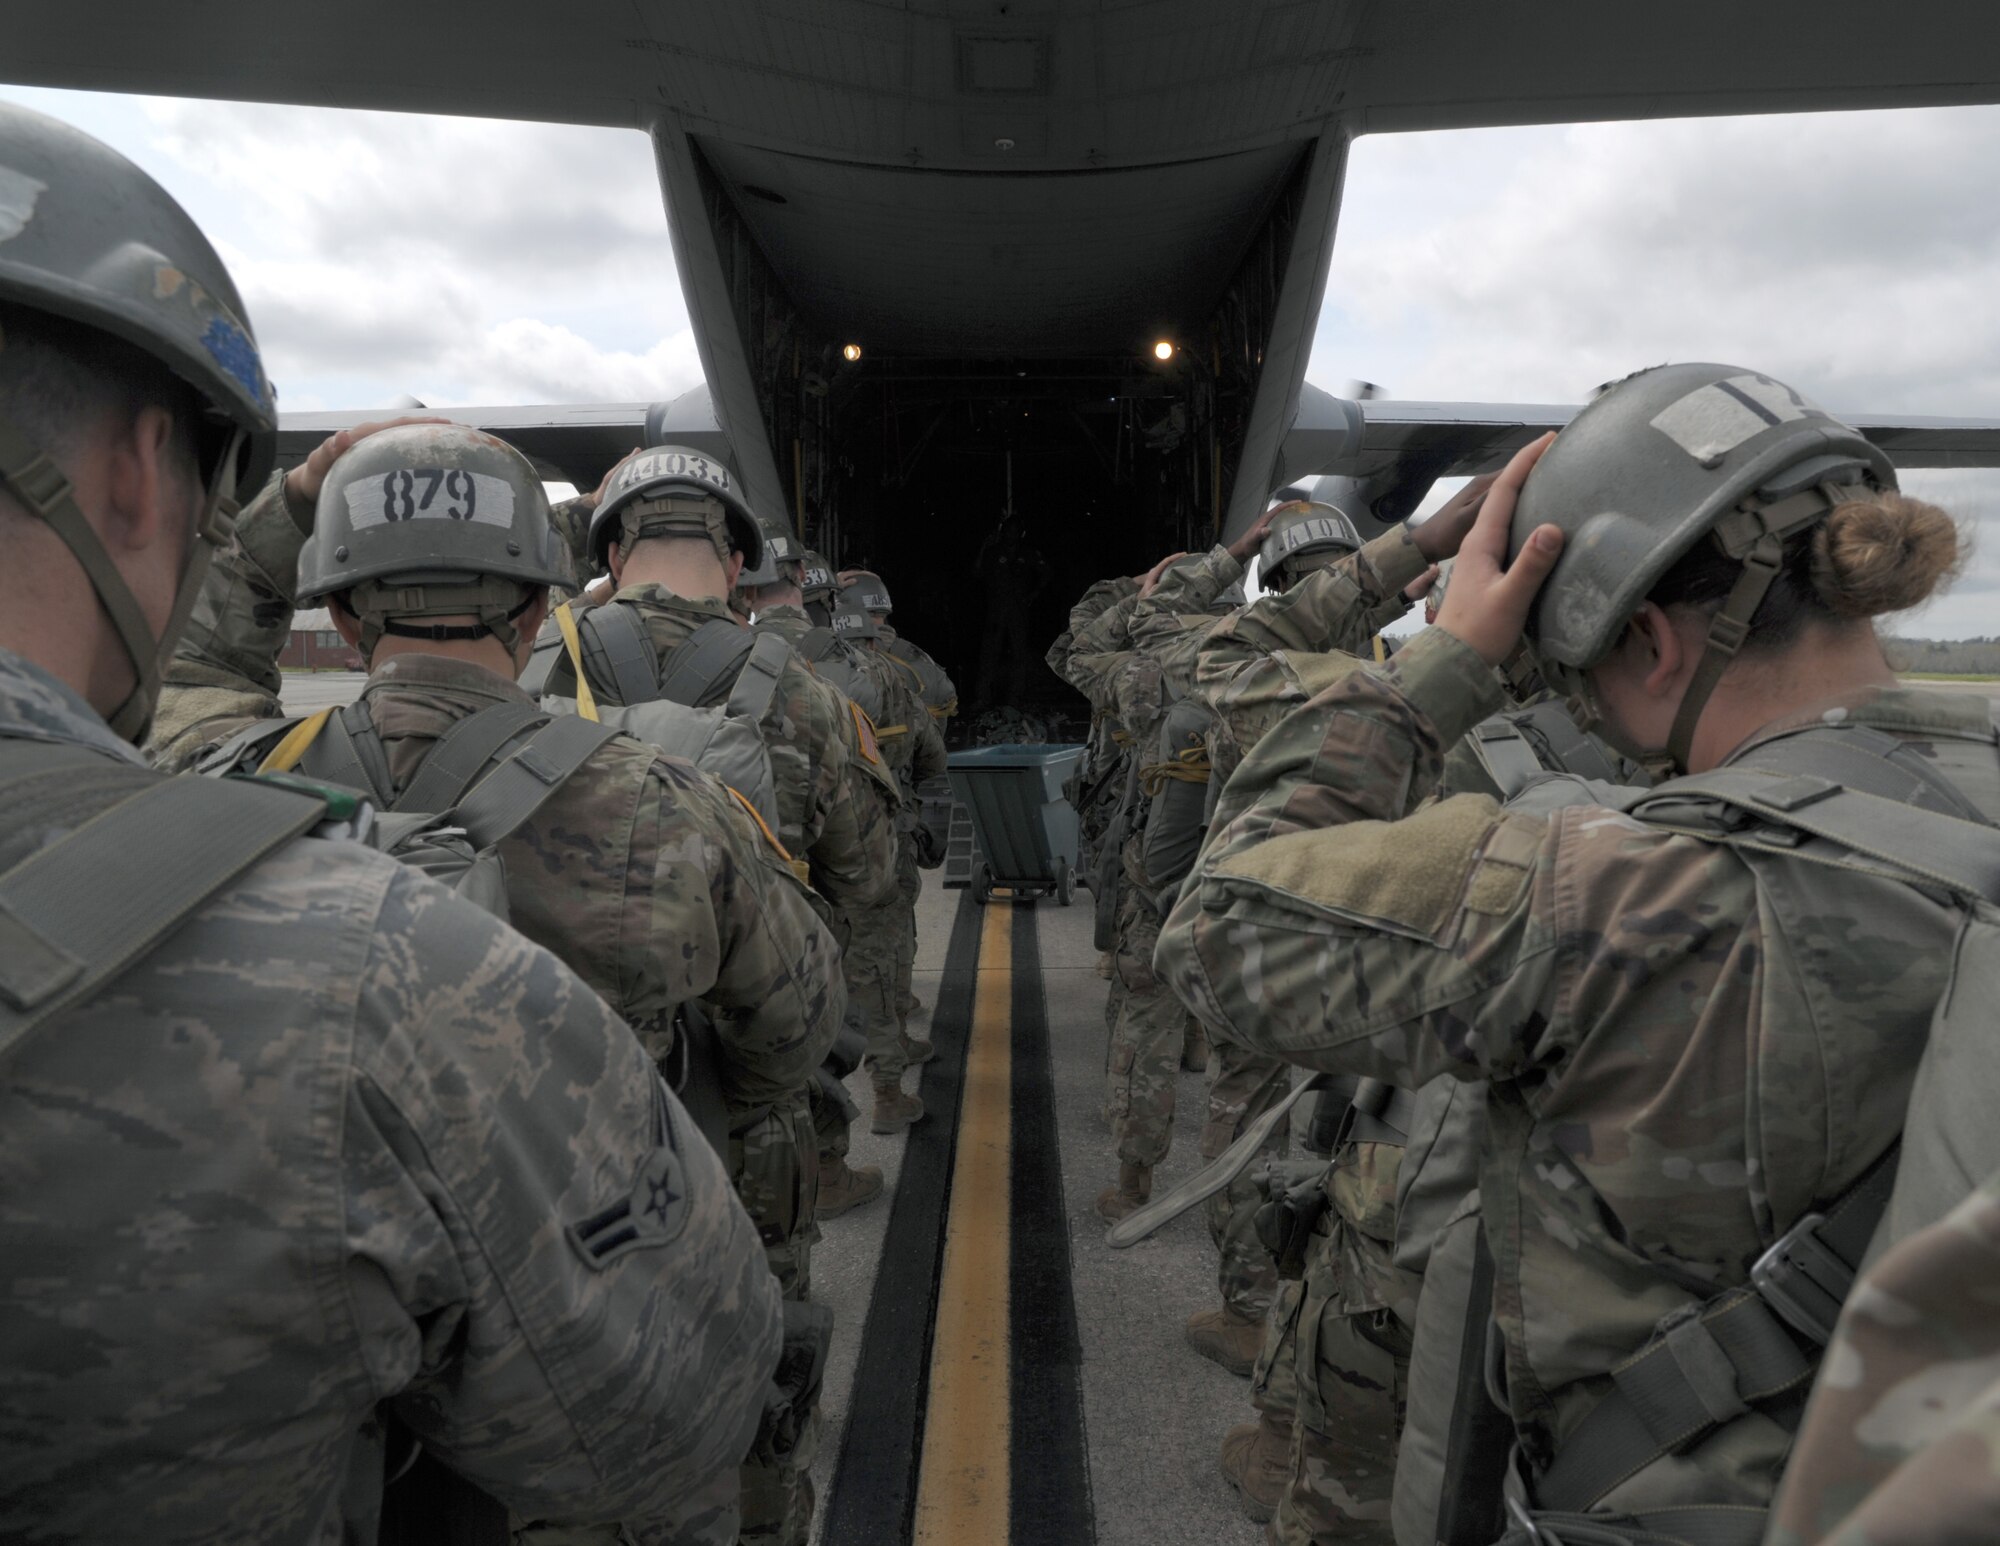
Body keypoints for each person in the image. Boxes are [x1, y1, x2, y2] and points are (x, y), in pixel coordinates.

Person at [0, 100, 780, 1544]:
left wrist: (297, 508)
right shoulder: (377, 969)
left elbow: (211, 671)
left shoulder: (231, 757)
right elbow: (675, 1421)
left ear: (340, 608)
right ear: (132, 475)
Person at [1161, 363, 1995, 1546]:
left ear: (1649, 640)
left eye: (1581, 679)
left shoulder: (1620, 888)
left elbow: (1218, 930)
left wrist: (1443, 662)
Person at [743, 533, 905, 1210]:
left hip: (696, 897)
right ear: (821, 595)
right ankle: (827, 1175)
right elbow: (862, 866)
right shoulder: (845, 677)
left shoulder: (692, 666)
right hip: (804, 896)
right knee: (814, 1040)